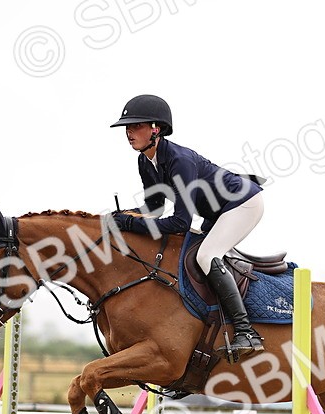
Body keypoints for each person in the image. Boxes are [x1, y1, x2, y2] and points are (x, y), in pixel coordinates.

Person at [109, 94, 264, 361]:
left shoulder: (180, 161)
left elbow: (181, 222)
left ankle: (245, 330)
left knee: (206, 256)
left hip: (243, 203)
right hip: (215, 210)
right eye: (127, 127)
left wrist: (132, 222)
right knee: (193, 254)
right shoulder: (145, 160)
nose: (129, 132)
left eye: (136, 126)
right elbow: (155, 208)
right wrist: (123, 217)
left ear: (155, 129)